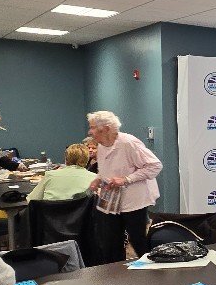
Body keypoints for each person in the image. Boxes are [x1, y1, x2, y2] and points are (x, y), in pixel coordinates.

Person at [86, 110, 162, 263]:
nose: (90, 131)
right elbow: (106, 169)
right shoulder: (101, 145)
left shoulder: (128, 142)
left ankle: (152, 272)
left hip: (133, 201)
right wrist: (98, 179)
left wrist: (127, 179)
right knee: (110, 241)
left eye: (93, 127)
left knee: (137, 240)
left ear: (106, 128)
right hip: (110, 200)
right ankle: (117, 275)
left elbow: (155, 166)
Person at [27, 144, 98, 202]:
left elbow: (31, 199)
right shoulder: (95, 178)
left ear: (66, 158)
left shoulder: (50, 175)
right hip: (81, 218)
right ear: (87, 159)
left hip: (49, 217)